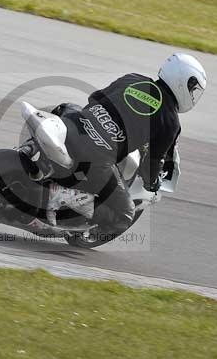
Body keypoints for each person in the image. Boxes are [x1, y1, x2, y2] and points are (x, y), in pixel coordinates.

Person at [52, 52, 208, 237]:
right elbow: (152, 162)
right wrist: (153, 183)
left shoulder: (133, 79)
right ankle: (65, 199)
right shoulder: (170, 121)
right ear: (182, 81)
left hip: (74, 125)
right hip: (97, 157)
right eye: (192, 88)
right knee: (124, 215)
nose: (192, 94)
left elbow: (95, 98)